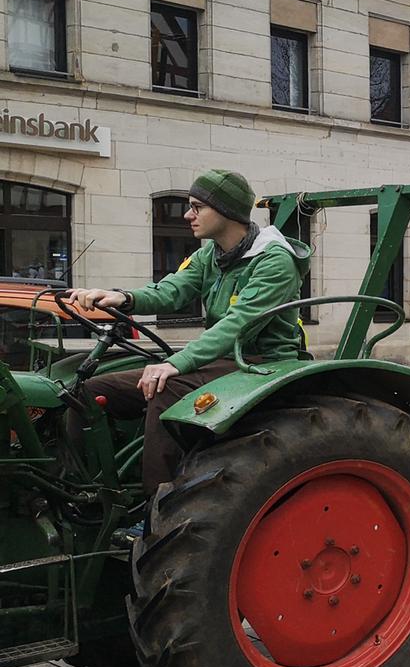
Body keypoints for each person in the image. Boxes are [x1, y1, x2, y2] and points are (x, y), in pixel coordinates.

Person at [67, 170, 310, 497]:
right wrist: (124, 297)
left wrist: (176, 363)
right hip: (224, 359)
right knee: (88, 389)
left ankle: (159, 505)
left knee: (166, 388)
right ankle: (82, 490)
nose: (188, 215)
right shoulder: (211, 254)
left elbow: (238, 324)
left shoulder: (274, 261)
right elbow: (172, 290)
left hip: (259, 362)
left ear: (226, 211)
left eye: (197, 207)